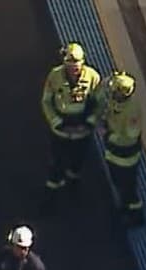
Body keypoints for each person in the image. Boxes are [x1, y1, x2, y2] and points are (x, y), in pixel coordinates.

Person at [40, 42, 102, 212]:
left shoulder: (93, 77)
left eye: (77, 65)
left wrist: (90, 121)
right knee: (56, 163)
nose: (74, 70)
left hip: (82, 129)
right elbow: (46, 101)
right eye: (70, 66)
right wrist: (55, 122)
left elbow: (100, 103)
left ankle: (73, 187)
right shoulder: (55, 76)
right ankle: (50, 198)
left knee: (77, 163)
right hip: (60, 129)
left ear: (83, 62)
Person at [98, 71, 144, 227]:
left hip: (126, 156)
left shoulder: (132, 111)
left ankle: (136, 216)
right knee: (118, 183)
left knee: (128, 188)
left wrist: (108, 135)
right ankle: (125, 207)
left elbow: (130, 135)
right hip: (113, 152)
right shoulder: (115, 101)